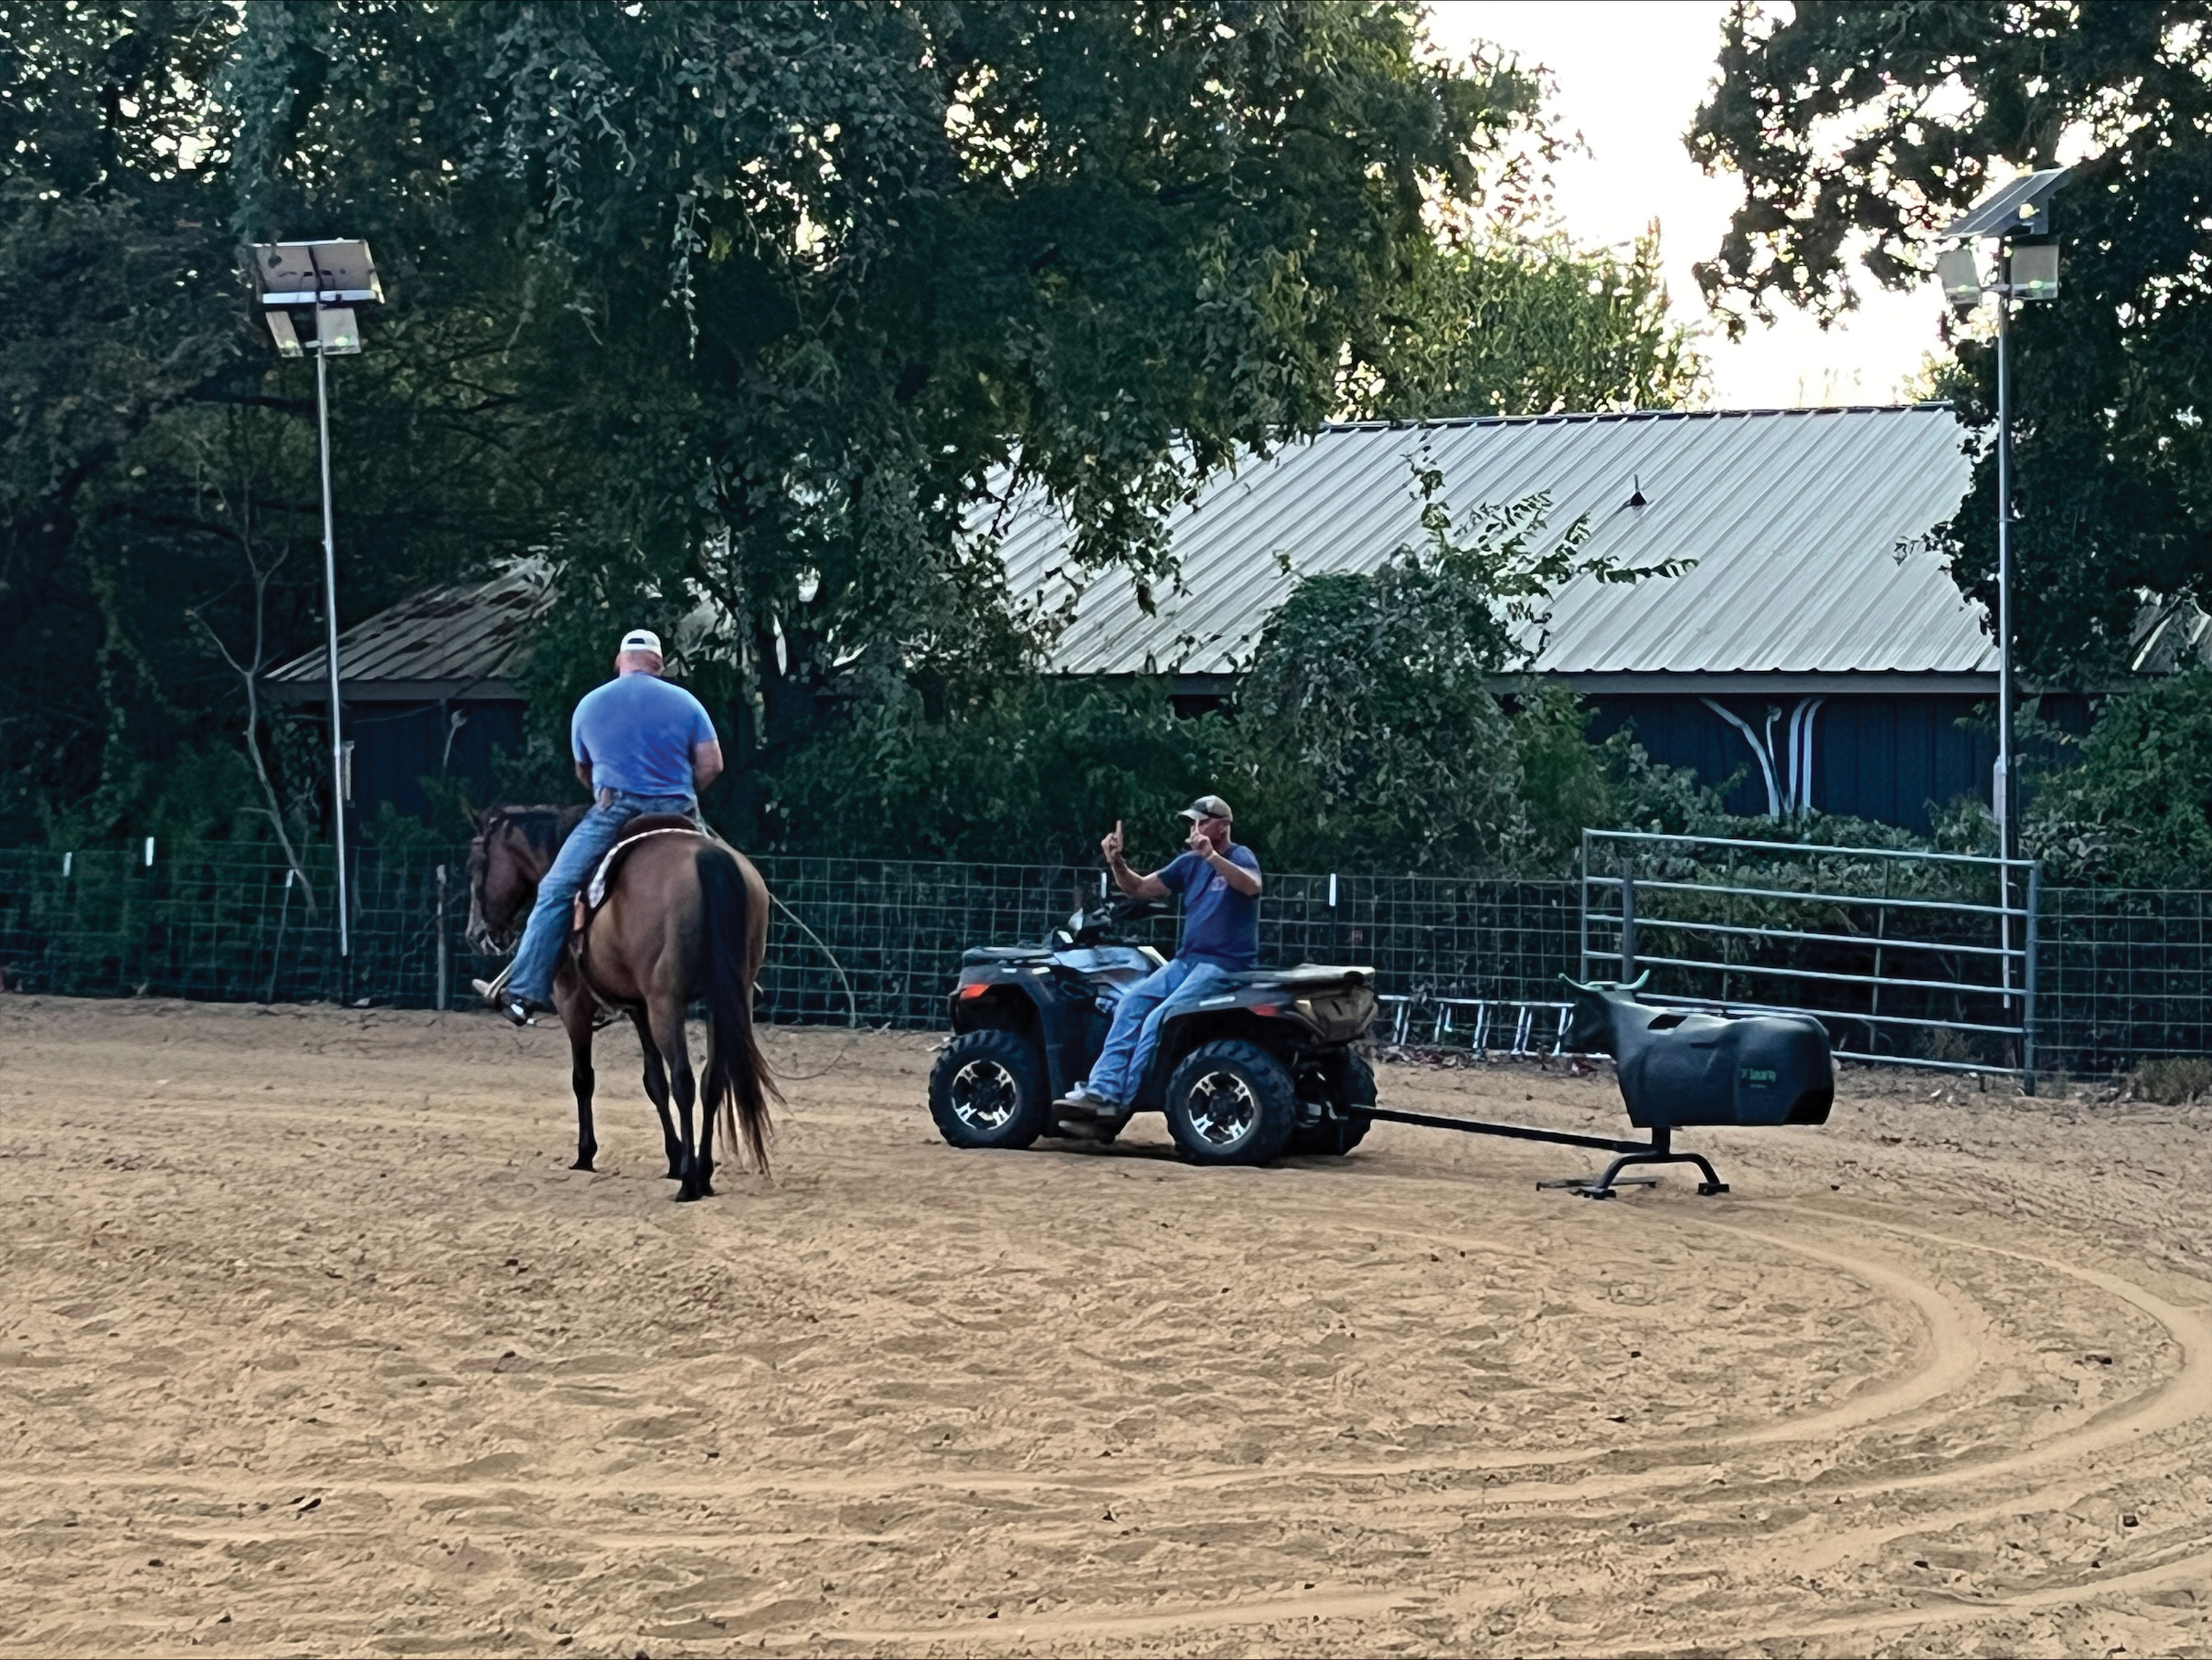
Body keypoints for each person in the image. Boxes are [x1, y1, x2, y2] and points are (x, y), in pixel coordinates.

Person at [475, 628, 722, 1026]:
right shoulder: (687, 702)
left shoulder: (589, 705)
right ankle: (744, 975)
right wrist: (682, 795)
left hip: (616, 811)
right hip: (679, 810)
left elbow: (583, 769)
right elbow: (712, 765)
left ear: (619, 661)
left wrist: (604, 793)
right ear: (659, 664)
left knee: (555, 889)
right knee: (729, 879)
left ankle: (524, 992)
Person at [1056, 793, 1262, 1121]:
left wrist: (1211, 857)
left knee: (1159, 1017)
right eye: (1193, 821)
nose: (1194, 827)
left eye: (1202, 821)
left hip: (1224, 964)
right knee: (1130, 1004)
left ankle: (1119, 1102)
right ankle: (1102, 1089)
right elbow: (1138, 889)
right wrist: (1116, 862)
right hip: (1186, 961)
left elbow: (1252, 886)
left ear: (1222, 827)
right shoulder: (1188, 862)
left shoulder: (1239, 856)